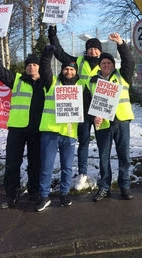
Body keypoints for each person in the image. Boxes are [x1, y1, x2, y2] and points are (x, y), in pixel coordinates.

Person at [0, 38, 45, 209]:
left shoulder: (46, 83)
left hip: (37, 130)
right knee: (12, 163)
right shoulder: (17, 80)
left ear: (39, 67)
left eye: (34, 65)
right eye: (29, 65)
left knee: (36, 163)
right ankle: (11, 194)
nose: (31, 67)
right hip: (17, 129)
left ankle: (34, 191)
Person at [48, 25, 100, 191]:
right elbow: (59, 53)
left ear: (100, 51)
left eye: (95, 49)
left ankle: (105, 175)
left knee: (104, 144)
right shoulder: (77, 61)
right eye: (90, 49)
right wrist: (52, 33)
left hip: (100, 110)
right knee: (83, 143)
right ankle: (83, 174)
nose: (92, 52)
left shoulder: (106, 64)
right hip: (82, 111)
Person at [34, 45, 86, 211]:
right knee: (47, 167)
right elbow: (45, 68)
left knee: (67, 167)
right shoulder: (52, 82)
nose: (69, 72)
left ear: (76, 72)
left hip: (69, 133)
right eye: (66, 69)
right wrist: (47, 53)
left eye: (72, 69)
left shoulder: (81, 86)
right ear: (62, 71)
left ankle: (64, 193)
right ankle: (44, 196)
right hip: (50, 131)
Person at [88, 33, 136, 202]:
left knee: (124, 157)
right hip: (103, 124)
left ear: (113, 65)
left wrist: (120, 44)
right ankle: (104, 187)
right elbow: (88, 102)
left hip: (121, 121)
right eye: (103, 63)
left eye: (109, 63)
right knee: (103, 157)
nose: (106, 65)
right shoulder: (92, 81)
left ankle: (125, 186)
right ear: (99, 66)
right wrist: (94, 117)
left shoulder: (122, 76)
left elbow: (129, 61)